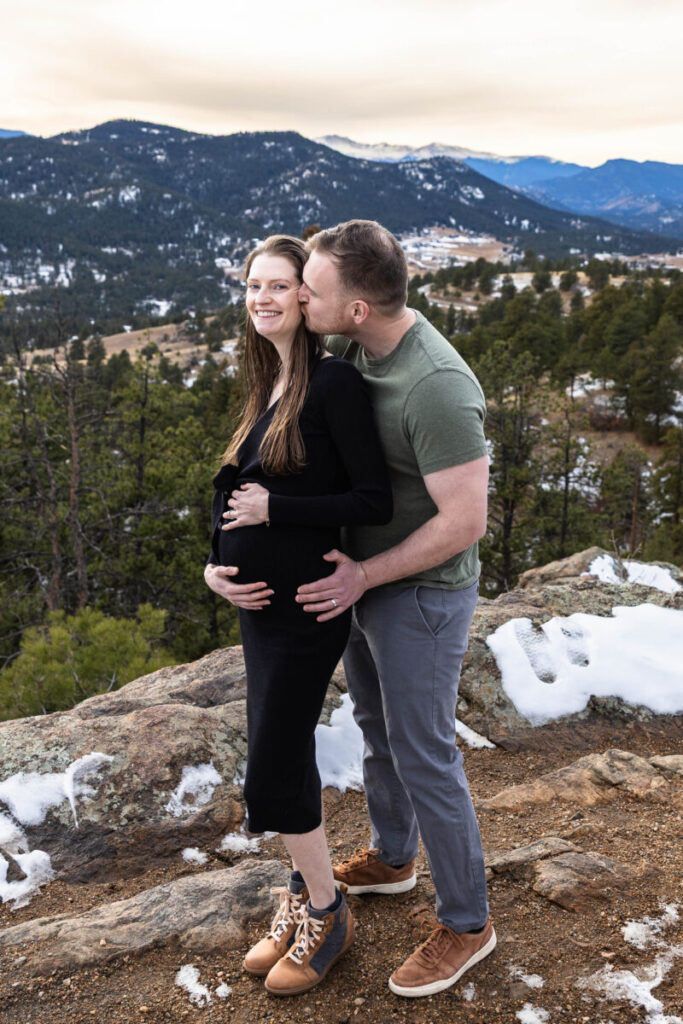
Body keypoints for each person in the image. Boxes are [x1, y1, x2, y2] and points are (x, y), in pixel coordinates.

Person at [295, 220, 495, 998]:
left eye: (312, 289)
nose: (302, 296)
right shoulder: (360, 351)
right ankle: (394, 854)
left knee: (424, 751)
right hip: (368, 580)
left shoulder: (436, 386)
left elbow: (463, 521)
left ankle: (468, 922)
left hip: (420, 593)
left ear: (355, 310)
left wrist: (366, 573)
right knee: (376, 730)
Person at [204, 234, 391, 997]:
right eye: (253, 285)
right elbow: (227, 496)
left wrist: (276, 507)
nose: (263, 298)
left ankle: (325, 909)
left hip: (308, 607)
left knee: (272, 765)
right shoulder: (268, 384)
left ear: (307, 301)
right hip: (258, 613)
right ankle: (302, 892)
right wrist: (213, 569)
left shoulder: (335, 384)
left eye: (280, 286)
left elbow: (369, 501)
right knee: (282, 756)